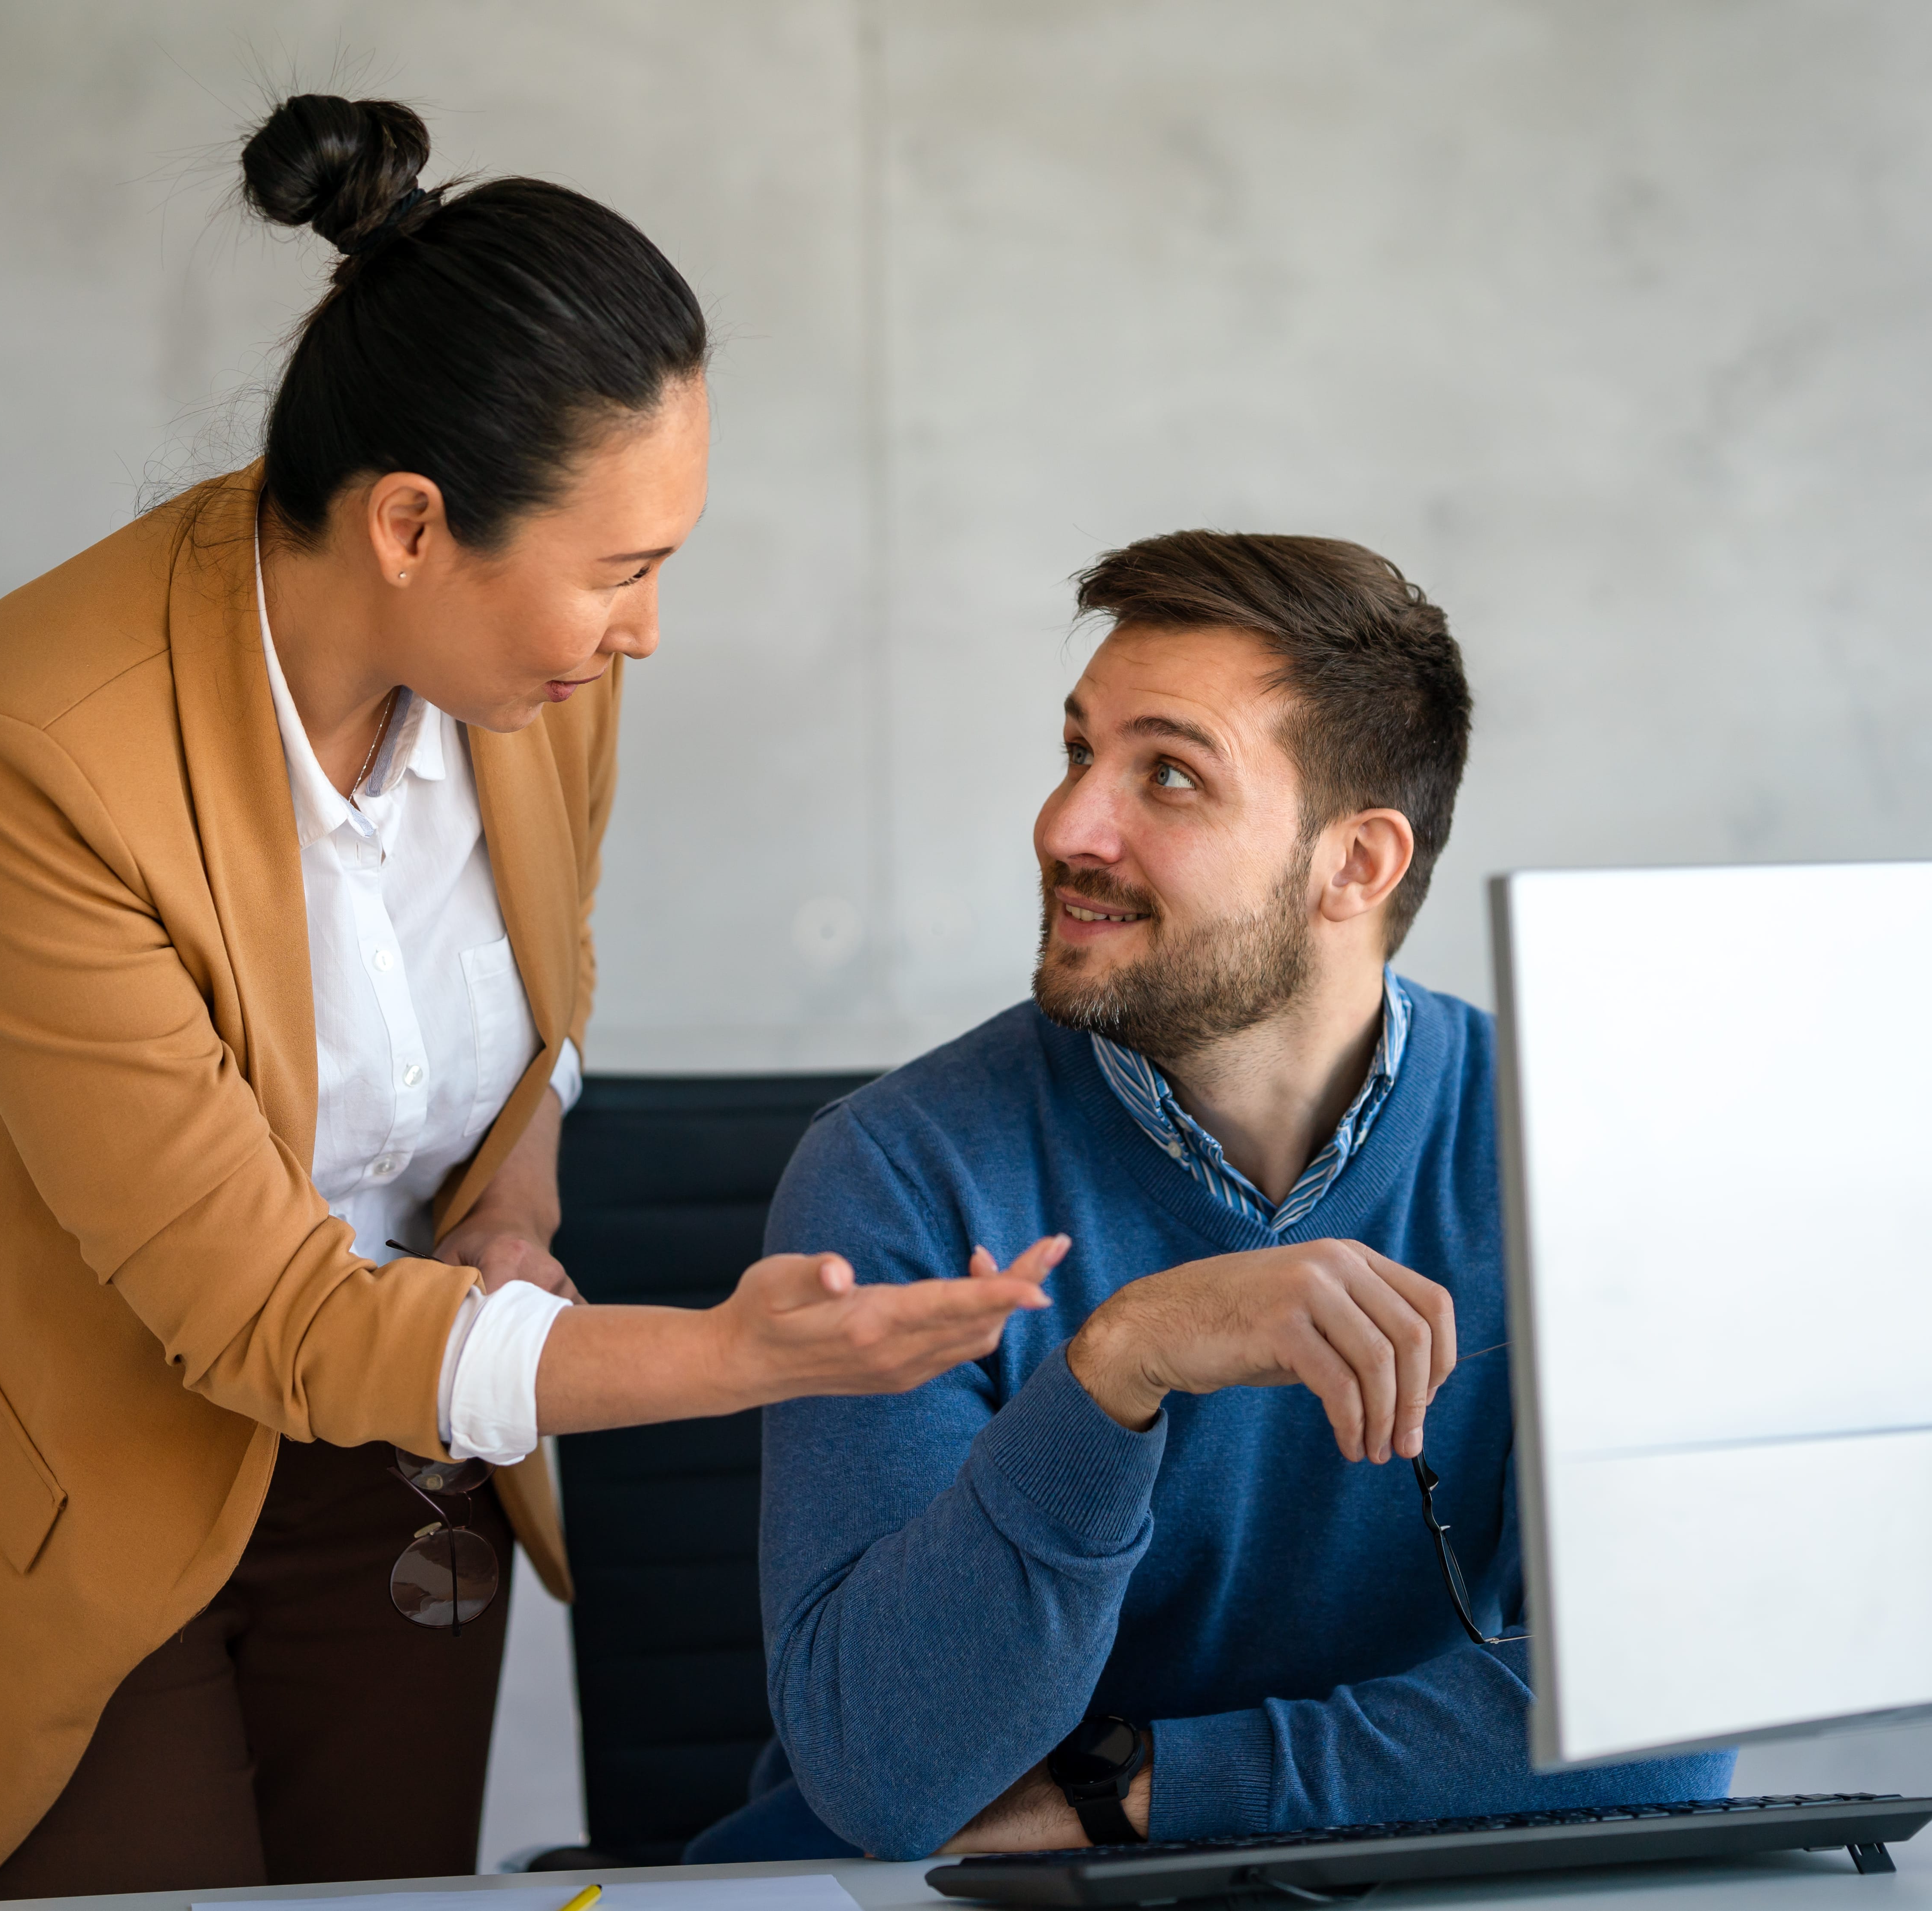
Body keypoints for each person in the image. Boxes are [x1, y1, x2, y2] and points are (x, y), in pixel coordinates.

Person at [0, 95, 1050, 1907]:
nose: (643, 634)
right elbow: (260, 1316)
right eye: (621, 570)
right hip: (75, 1483)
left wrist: (515, 1200)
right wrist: (731, 1358)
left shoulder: (534, 676)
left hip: (397, 1464)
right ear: (409, 526)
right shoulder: (30, 752)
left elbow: (541, 1007)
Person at [688, 531, 1734, 1862]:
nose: (1067, 825)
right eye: (1078, 752)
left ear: (1354, 863)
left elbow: (1665, 1721)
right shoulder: (898, 1172)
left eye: (1166, 775)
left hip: (1314, 1880)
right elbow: (891, 1776)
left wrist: (1136, 1796)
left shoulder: (1569, 1146)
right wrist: (1118, 1364)